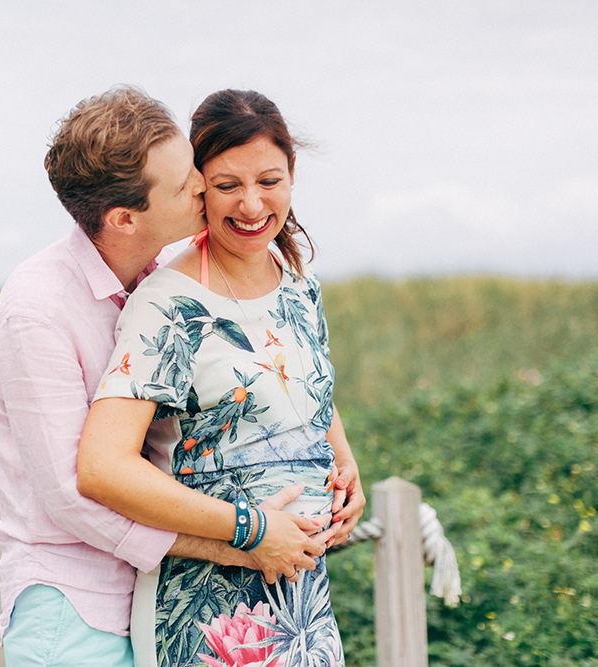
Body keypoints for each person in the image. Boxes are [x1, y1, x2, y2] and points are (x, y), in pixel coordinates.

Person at [0, 86, 339, 667]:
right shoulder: (38, 312)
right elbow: (76, 495)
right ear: (124, 218)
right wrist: (244, 539)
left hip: (148, 596)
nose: (204, 185)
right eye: (185, 184)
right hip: (75, 614)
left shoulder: (153, 276)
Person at [77, 89, 365, 667]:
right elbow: (101, 467)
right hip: (208, 610)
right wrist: (253, 529)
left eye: (270, 180)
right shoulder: (168, 306)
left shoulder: (300, 285)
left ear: (291, 176)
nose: (253, 205)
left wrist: (343, 460)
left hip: (304, 603)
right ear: (197, 188)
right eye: (228, 185)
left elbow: (299, 387)